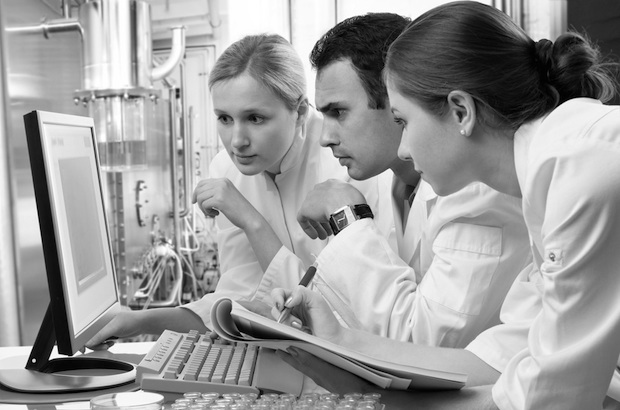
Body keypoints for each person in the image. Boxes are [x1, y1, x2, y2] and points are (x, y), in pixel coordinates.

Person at [271, 2, 620, 409]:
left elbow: (555, 397)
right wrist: (341, 341)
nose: (402, 147)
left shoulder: (573, 168)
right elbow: (500, 361)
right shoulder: (548, 176)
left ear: (461, 111)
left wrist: (373, 394)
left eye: (402, 121)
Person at [86, 33, 390, 346]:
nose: (237, 141)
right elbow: (238, 302)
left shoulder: (348, 163)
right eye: (225, 119)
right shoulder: (225, 170)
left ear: (299, 111)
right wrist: (137, 321)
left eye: (255, 118)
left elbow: (325, 316)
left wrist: (251, 220)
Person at [289, 12, 531, 348]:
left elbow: (424, 343)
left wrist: (349, 220)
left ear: (394, 99)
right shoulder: (378, 182)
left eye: (338, 112)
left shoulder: (478, 185)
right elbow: (372, 315)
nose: (325, 137)